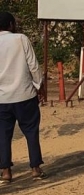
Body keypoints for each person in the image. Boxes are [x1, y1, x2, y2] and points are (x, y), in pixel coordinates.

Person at [0, 12, 46, 183]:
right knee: (31, 131)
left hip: (2, 98)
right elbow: (33, 65)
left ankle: (5, 171)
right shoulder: (21, 39)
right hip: (25, 95)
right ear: (11, 24)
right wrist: (39, 85)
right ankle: (35, 168)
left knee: (3, 135)